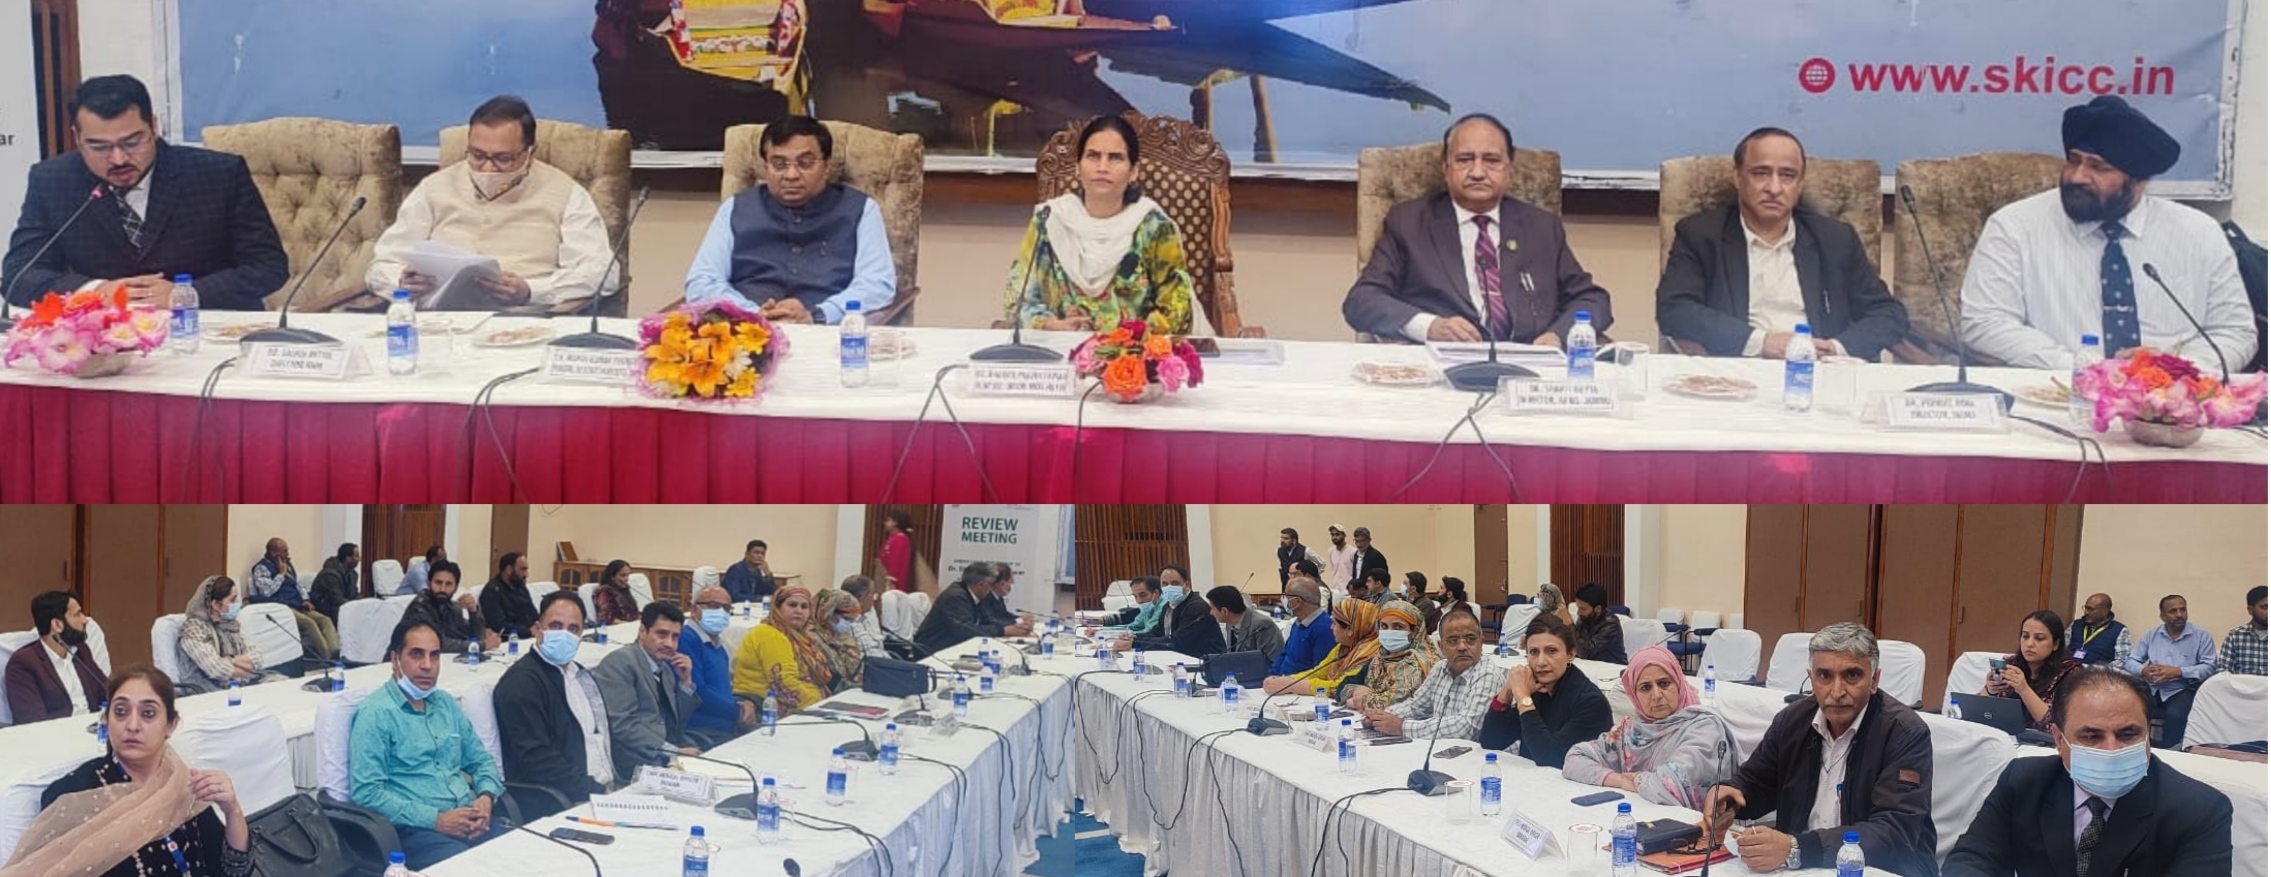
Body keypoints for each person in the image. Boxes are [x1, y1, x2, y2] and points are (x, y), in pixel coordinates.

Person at [1961, 95, 2255, 370]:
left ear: (2138, 181)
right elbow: (1984, 322)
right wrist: (2085, 369)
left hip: (2171, 398)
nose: (2077, 177)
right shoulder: (2016, 226)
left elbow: (2234, 331)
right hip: (2057, 390)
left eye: (2099, 168)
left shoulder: (2199, 233)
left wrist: (2174, 369)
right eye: (2074, 160)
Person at [1, 74, 286, 311]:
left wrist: (186, 294)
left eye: (132, 142)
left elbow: (268, 266)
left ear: (154, 126)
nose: (118, 159)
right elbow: (18, 275)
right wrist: (95, 291)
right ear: (77, 138)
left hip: (206, 330)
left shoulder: (218, 174)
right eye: (100, 147)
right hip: (105, 337)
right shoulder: (53, 180)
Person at [1344, 113, 1613, 347]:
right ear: (1446, 169)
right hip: (1443, 365)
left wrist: (1559, 336)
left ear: (1509, 170)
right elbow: (1362, 300)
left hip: (1530, 364)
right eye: (1464, 159)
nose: (1477, 172)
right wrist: (1430, 327)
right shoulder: (1410, 222)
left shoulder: (1541, 227)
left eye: (1491, 160)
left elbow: (1592, 300)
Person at [1943, 666, 2233, 876]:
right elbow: (1972, 859)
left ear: (2148, 734)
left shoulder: (2200, 810)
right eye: (2091, 736)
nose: (2111, 749)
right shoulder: (2023, 780)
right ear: (2059, 740)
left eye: (2128, 734)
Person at [1700, 623, 1936, 877]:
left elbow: (1895, 832)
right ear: (1811, 677)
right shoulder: (1792, 721)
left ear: (1874, 680)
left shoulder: (1905, 733)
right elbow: (1757, 782)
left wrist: (1797, 848)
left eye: (1852, 675)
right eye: (1824, 676)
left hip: (1882, 869)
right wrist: (1729, 798)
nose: (1837, 691)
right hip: (1804, 866)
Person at [1655, 127, 1910, 360]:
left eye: (1787, 175)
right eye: (1760, 173)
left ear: (1800, 185)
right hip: (1740, 371)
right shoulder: (1701, 235)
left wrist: (1835, 349)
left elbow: (1888, 314)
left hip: (1820, 372)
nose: (1774, 188)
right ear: (1738, 178)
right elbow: (1674, 310)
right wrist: (1760, 343)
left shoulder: (1835, 240)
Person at [365, 95, 614, 308]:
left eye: (503, 159)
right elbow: (381, 266)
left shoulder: (566, 193)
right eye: (477, 155)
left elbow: (602, 273)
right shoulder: (434, 187)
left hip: (524, 320)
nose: (488, 168)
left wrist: (531, 290)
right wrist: (401, 282)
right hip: (437, 321)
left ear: (530, 153)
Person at [26, 665, 252, 877]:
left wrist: (232, 810)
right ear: (106, 719)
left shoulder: (183, 784)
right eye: (120, 711)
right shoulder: (73, 796)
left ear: (171, 725)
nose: (132, 725)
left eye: (148, 713)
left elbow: (234, 871)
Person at [684, 116, 894, 325]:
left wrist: (819, 314)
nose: (791, 175)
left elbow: (877, 284)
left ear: (827, 166)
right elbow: (702, 281)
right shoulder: (735, 208)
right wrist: (753, 313)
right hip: (746, 331)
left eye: (805, 163)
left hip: (826, 332)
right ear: (766, 167)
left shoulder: (861, 209)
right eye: (779, 164)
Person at [1003, 114, 1195, 336]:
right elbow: (1017, 300)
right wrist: (1049, 325)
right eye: (1093, 156)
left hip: (1133, 351)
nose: (1103, 167)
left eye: (1115, 158)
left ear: (1133, 171)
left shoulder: (1153, 227)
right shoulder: (1050, 220)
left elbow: (1178, 310)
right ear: (1078, 167)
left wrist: (1126, 337)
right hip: (1059, 346)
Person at [350, 619, 507, 870]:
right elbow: (366, 793)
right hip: (416, 831)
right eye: (416, 654)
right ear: (395, 659)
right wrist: (436, 820)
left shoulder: (445, 704)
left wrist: (486, 798)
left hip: (469, 819)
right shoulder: (376, 714)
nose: (427, 665)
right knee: (472, 869)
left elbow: (481, 761)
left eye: (434, 656)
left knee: (523, 853)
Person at [1565, 645, 1741, 809]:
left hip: (1693, 826)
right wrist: (1619, 780)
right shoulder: (1632, 731)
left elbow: (1669, 787)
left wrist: (1638, 779)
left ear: (1679, 683)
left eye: (1664, 683)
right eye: (1645, 688)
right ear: (1634, 694)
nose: (1656, 695)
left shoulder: (1704, 728)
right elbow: (1574, 759)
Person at [494, 591, 612, 817]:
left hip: (606, 788)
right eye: (556, 626)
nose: (564, 635)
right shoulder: (521, 684)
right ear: (537, 629)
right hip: (564, 800)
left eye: (573, 629)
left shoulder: (579, 674)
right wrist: (599, 792)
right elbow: (539, 763)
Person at [1476, 613, 1612, 768]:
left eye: (1551, 651)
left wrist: (1523, 698)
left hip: (1574, 781)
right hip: (1533, 779)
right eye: (1534, 652)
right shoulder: (1537, 688)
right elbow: (1491, 742)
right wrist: (1507, 690)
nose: (1541, 662)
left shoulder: (1591, 702)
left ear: (1570, 654)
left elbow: (1551, 758)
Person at [594, 601, 702, 773]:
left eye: (675, 637)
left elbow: (678, 723)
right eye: (662, 634)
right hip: (637, 761)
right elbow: (623, 726)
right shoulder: (620, 663)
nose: (669, 643)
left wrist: (685, 682)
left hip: (668, 753)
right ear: (643, 632)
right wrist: (672, 752)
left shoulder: (665, 668)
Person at [1364, 607, 1495, 741]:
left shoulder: (1487, 673)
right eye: (1453, 640)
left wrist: (1402, 727)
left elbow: (1467, 727)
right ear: (1441, 646)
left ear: (1481, 642)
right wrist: (1380, 717)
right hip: (1441, 748)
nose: (1462, 647)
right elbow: (1416, 707)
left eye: (1470, 639)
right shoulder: (1440, 668)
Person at [2120, 594, 2216, 748]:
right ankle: (2137, 748)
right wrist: (2143, 671)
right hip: (2152, 688)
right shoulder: (2152, 635)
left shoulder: (2201, 636)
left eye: (2182, 610)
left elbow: (2210, 667)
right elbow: (2130, 661)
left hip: (2182, 689)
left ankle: (2170, 752)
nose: (2179, 615)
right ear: (2162, 616)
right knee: (2127, 708)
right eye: (2173, 611)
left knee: (2176, 715)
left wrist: (2179, 672)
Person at [4, 590, 106, 723]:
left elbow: (106, 691)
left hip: (94, 728)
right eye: (77, 614)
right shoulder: (23, 663)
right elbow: (32, 721)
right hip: (59, 733)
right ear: (57, 625)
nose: (85, 620)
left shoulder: (81, 651)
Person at [175, 576, 284, 696]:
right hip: (209, 690)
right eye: (233, 600)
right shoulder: (193, 628)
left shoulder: (231, 624)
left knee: (280, 685)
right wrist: (245, 669)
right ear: (216, 605)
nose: (238, 604)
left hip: (240, 684)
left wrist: (231, 660)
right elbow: (217, 670)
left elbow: (257, 659)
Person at [734, 585, 832, 713]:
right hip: (763, 705)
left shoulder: (801, 638)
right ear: (777, 608)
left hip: (797, 701)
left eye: (804, 607)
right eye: (792, 605)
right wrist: (819, 704)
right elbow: (784, 683)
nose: (799, 611)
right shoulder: (769, 634)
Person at [1261, 598, 1382, 701]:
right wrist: (1287, 680)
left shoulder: (1371, 654)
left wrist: (1292, 685)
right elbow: (1319, 672)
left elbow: (1339, 687)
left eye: (1334, 624)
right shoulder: (1344, 647)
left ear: (1350, 630)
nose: (1331, 627)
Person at [1982, 609, 2083, 732]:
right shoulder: (2011, 664)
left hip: (2045, 742)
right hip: (2006, 736)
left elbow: (2055, 727)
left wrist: (2024, 690)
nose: (2029, 644)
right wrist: (1990, 690)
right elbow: (1976, 712)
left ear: (2055, 644)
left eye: (2039, 638)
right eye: (2025, 636)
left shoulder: (2070, 673)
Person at [247, 538, 340, 662]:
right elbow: (266, 592)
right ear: (274, 553)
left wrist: (306, 599)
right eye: (284, 551)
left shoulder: (288, 565)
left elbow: (297, 585)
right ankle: (327, 657)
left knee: (325, 620)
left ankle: (335, 653)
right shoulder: (261, 568)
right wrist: (281, 574)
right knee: (309, 623)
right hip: (282, 607)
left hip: (298, 604)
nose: (287, 554)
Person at [1337, 600, 1438, 709]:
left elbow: (1399, 703)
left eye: (1398, 627)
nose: (1390, 632)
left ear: (1414, 631)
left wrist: (1359, 700)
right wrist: (1356, 691)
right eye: (1384, 626)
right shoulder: (1380, 658)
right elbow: (1343, 686)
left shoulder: (1422, 663)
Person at [680, 584, 746, 748]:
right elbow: (696, 691)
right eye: (713, 606)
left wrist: (742, 703)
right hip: (704, 730)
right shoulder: (686, 639)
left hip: (725, 724)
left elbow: (720, 688)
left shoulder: (717, 644)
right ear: (694, 610)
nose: (720, 612)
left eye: (726, 608)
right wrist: (736, 711)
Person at [912, 564, 1023, 655]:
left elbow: (987, 620)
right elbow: (965, 630)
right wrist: (1003, 631)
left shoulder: (976, 595)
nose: (992, 588)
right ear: (980, 585)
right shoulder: (955, 597)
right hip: (932, 650)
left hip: (952, 647)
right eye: (991, 584)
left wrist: (1015, 626)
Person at [1112, 566, 1220, 659]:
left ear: (1186, 584)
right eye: (1164, 584)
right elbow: (1157, 633)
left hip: (1205, 661)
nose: (1169, 587)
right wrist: (1133, 637)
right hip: (1180, 657)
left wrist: (1134, 644)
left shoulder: (1196, 607)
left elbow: (1178, 642)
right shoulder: (1168, 605)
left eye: (1174, 583)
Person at [399, 561, 497, 654]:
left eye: (448, 584)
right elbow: (437, 643)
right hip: (406, 660)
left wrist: (473, 612)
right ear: (429, 583)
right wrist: (481, 646)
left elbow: (471, 636)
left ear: (456, 588)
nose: (442, 589)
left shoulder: (451, 607)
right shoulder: (420, 607)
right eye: (438, 583)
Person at [1271, 578, 1337, 678]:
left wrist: (1285, 682)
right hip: (1281, 681)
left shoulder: (1325, 629)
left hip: (1298, 684)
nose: (1285, 601)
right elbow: (1284, 655)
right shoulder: (1297, 623)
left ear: (1298, 601)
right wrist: (1271, 675)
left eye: (1287, 596)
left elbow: (1319, 672)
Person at [1207, 586, 1285, 665]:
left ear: (1225, 611)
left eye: (1212, 608)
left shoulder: (1262, 625)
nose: (1210, 613)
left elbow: (1276, 661)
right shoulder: (1229, 624)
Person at [809, 587, 867, 692]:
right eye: (846, 619)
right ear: (829, 611)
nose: (848, 624)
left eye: (852, 620)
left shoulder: (839, 634)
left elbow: (855, 665)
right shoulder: (811, 635)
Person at [478, 552, 539, 640]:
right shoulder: (492, 591)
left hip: (531, 635)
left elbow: (532, 612)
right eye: (523, 569)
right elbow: (499, 626)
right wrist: (528, 632)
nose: (526, 575)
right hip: (511, 639)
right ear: (509, 569)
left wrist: (539, 625)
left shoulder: (520, 587)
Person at [2067, 593, 2132, 667]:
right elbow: (2062, 647)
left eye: (2090, 609)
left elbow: (2122, 660)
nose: (2086, 612)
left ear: (2105, 611)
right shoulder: (2076, 624)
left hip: (2097, 672)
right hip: (2070, 669)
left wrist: (2095, 669)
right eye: (2085, 608)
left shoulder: (2120, 630)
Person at [2216, 585, 2266, 676]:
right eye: (2265, 607)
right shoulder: (2235, 636)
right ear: (2250, 609)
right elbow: (2223, 672)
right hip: (2243, 685)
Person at [1570, 583, 1625, 664]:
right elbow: (1574, 645)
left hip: (1613, 667)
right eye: (1578, 608)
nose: (1578, 613)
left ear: (1598, 608)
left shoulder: (1611, 625)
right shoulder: (1584, 618)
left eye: (1583, 609)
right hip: (1589, 665)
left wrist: (1570, 625)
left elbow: (1585, 652)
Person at [308, 542, 360, 623]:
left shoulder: (353, 575)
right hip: (325, 608)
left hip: (342, 606)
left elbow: (354, 594)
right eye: (356, 556)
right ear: (348, 558)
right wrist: (354, 606)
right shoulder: (330, 574)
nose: (359, 559)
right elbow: (337, 599)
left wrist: (362, 603)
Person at [838, 576, 887, 657]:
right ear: (862, 598)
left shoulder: (863, 618)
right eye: (873, 594)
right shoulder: (851, 622)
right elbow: (869, 656)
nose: (874, 599)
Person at [721, 539, 777, 604]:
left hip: (754, 606)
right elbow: (735, 596)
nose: (760, 556)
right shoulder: (736, 570)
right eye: (756, 552)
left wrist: (768, 575)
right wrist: (760, 598)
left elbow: (772, 593)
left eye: (763, 553)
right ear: (747, 554)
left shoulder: (758, 572)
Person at [592, 560, 640, 625]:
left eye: (628, 575)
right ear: (612, 577)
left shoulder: (624, 589)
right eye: (623, 575)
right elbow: (605, 618)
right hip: (617, 627)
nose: (627, 579)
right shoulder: (604, 592)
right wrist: (630, 625)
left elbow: (634, 613)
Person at [877, 511, 915, 592]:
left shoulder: (901, 539)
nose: (885, 523)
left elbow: (896, 560)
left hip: (893, 583)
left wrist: (891, 579)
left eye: (888, 520)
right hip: (884, 576)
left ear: (895, 523)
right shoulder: (892, 538)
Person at [1322, 525, 1355, 594]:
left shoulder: (1353, 551)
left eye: (1337, 534)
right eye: (1332, 535)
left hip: (1348, 590)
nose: (1334, 537)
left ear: (1344, 535)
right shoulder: (1331, 551)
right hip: (1335, 589)